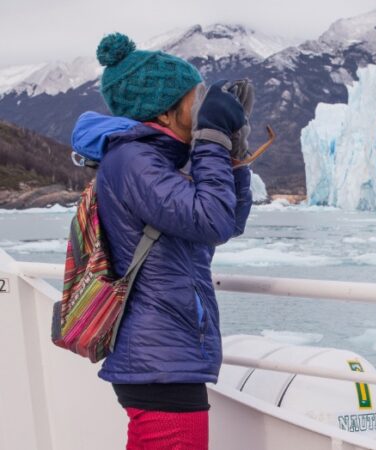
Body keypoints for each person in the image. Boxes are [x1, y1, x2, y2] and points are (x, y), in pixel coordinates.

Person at [71, 33, 253, 449]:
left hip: (167, 353)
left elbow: (229, 220)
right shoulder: (134, 160)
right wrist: (211, 138)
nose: (203, 105)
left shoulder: (159, 159)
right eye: (197, 97)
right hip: (158, 357)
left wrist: (232, 153)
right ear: (169, 109)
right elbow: (212, 220)